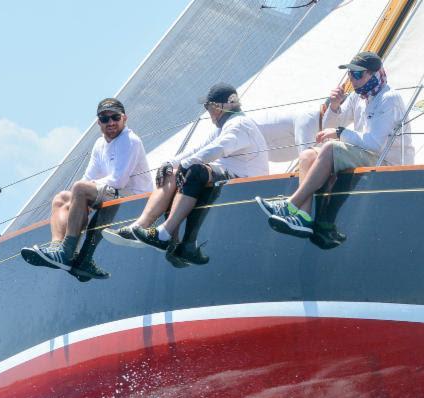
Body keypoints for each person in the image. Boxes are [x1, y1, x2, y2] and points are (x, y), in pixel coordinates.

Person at [255, 51, 414, 237]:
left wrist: (340, 133)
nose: (352, 79)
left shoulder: (389, 98)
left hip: (388, 163)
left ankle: (291, 204)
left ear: (374, 73)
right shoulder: (358, 97)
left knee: (331, 147)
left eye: (357, 74)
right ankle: (303, 217)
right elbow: (329, 127)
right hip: (367, 154)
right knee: (308, 154)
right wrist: (335, 106)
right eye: (349, 74)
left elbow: (375, 144)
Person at [105, 83, 269, 259]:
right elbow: (198, 149)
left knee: (195, 171)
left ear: (219, 106)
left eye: (208, 106)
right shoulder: (225, 126)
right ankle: (141, 227)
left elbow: (217, 149)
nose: (207, 111)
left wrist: (185, 165)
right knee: (173, 172)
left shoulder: (239, 124)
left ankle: (165, 234)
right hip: (232, 175)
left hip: (246, 182)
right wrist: (170, 163)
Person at [22, 98, 151, 274]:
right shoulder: (99, 144)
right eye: (105, 119)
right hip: (112, 194)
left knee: (80, 189)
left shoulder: (130, 140)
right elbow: (89, 177)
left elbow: (119, 180)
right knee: (61, 198)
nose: (111, 122)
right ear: (99, 122)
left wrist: (83, 193)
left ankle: (67, 251)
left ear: (124, 118)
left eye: (115, 117)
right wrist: (78, 199)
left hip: (133, 202)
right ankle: (56, 249)